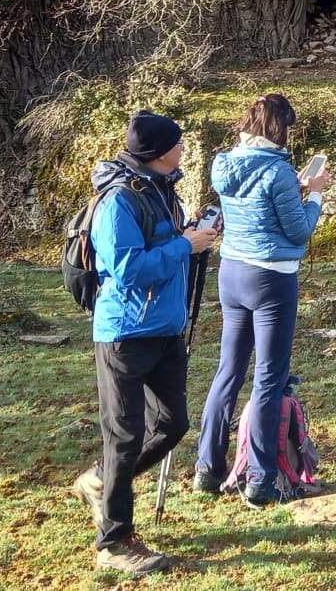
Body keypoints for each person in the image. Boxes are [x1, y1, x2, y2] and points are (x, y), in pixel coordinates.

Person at [74, 111, 220, 576]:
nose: (184, 150)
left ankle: (100, 482)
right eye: (177, 144)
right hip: (124, 334)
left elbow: (163, 244)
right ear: (157, 153)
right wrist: (185, 247)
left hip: (165, 328)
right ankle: (113, 543)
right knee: (123, 436)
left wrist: (191, 234)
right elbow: (129, 271)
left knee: (173, 424)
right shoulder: (118, 200)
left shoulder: (161, 189)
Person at [194, 93, 331, 506]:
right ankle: (260, 477)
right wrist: (316, 195)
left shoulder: (223, 164)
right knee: (269, 377)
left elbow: (255, 202)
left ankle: (207, 466)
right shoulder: (280, 172)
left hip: (232, 272)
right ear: (281, 128)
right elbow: (298, 231)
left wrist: (296, 188)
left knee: (228, 371)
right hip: (272, 277)